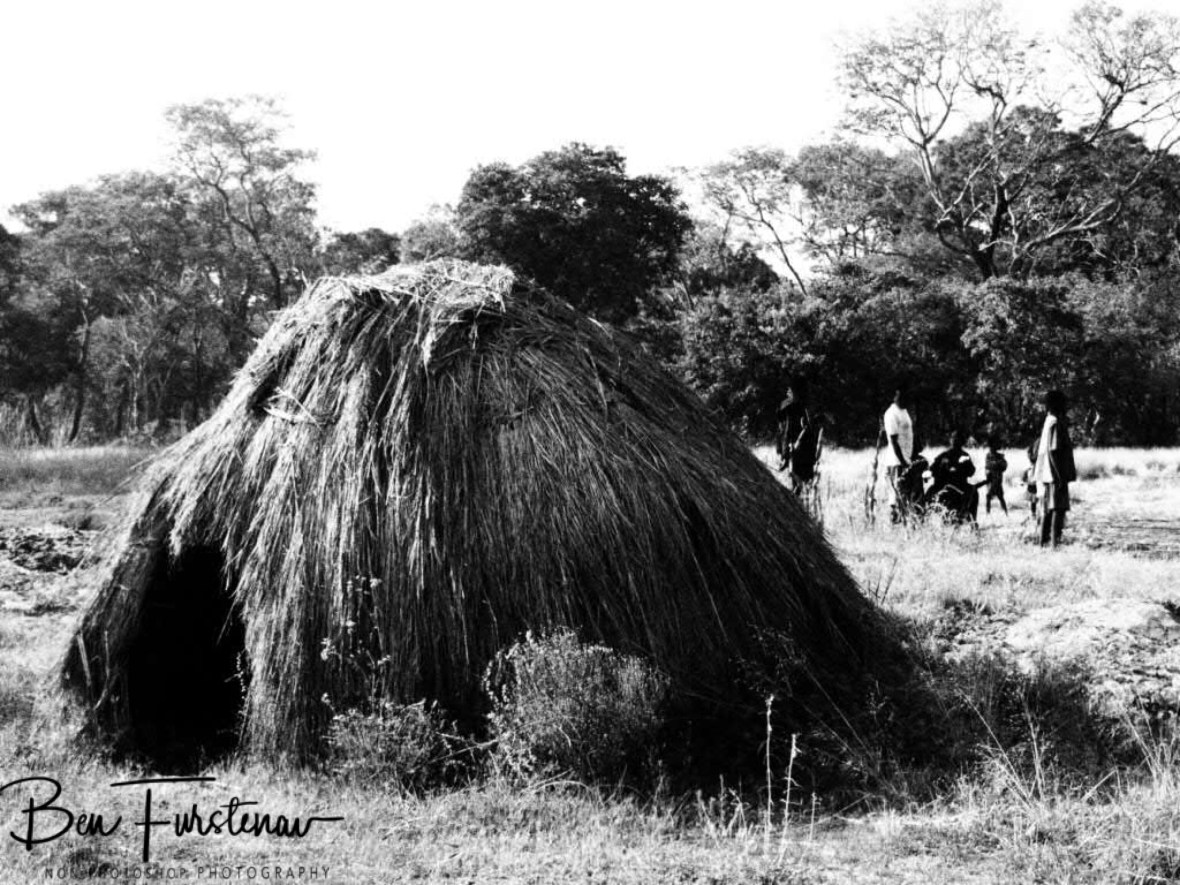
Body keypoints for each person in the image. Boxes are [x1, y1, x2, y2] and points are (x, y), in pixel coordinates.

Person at [1034, 390, 1077, 547]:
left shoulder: (1049, 421)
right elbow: (1054, 451)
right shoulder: (1056, 423)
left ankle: (1043, 544)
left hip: (1046, 473)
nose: (1066, 406)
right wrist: (1059, 477)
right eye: (1064, 403)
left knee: (1048, 510)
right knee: (1058, 509)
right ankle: (1054, 545)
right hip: (1054, 474)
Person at [776, 381, 819, 493]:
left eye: (790, 390)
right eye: (788, 390)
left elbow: (808, 427)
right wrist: (783, 450)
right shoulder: (786, 405)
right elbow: (782, 428)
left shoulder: (804, 407)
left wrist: (798, 442)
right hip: (790, 442)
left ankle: (801, 494)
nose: (787, 392)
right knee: (793, 471)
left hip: (803, 445)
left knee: (801, 473)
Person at [927, 429, 978, 523]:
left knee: (973, 491)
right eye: (954, 438)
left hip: (959, 486)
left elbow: (971, 471)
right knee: (928, 495)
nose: (955, 441)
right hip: (944, 486)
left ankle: (972, 521)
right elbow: (932, 469)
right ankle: (925, 518)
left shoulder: (964, 456)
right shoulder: (943, 456)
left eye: (957, 439)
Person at [882, 389, 915, 523]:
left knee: (905, 496)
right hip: (896, 462)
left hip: (906, 460)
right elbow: (893, 441)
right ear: (896, 397)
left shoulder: (904, 411)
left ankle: (904, 526)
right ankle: (895, 526)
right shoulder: (891, 414)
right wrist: (903, 461)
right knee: (897, 498)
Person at [979, 434, 1009, 516]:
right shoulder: (989, 456)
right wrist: (997, 464)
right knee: (989, 496)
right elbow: (988, 466)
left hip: (997, 480)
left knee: (1000, 497)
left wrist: (997, 464)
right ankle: (988, 513)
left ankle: (1005, 513)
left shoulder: (999, 456)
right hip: (991, 480)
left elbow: (1004, 466)